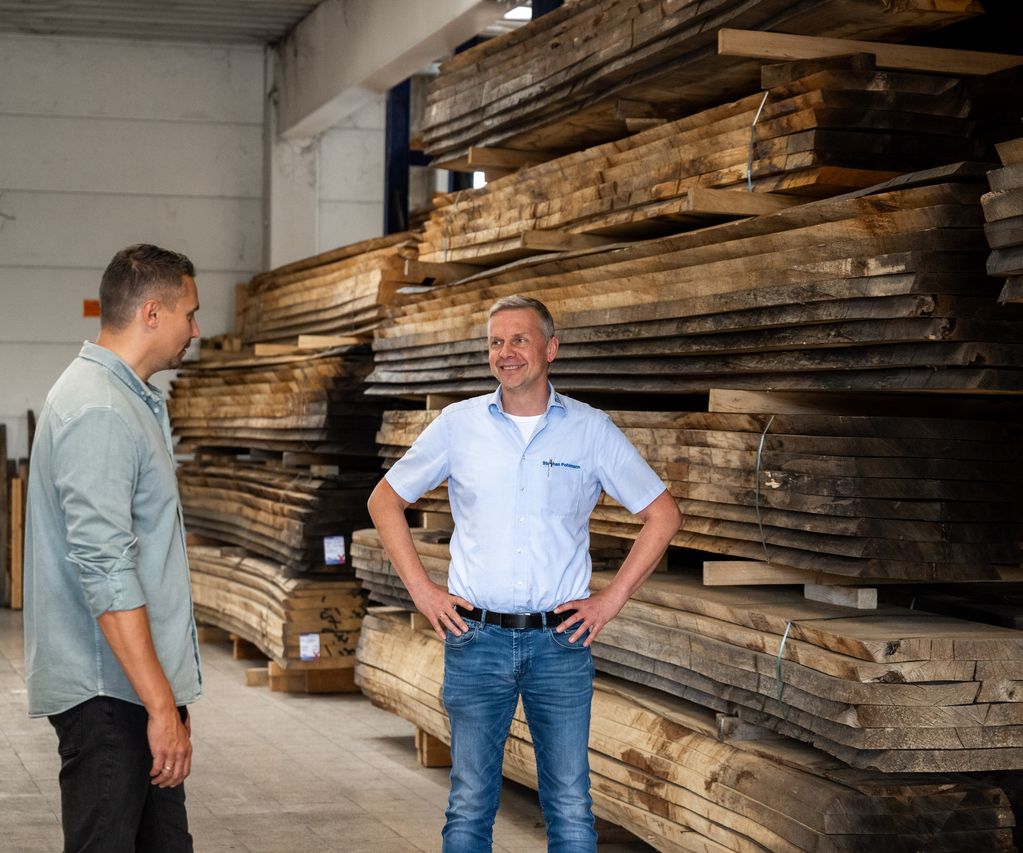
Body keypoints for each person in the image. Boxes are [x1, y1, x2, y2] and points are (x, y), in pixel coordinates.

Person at [368, 294, 682, 852]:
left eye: (519, 340)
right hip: (475, 638)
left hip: (560, 644)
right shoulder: (458, 425)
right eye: (495, 341)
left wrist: (608, 602)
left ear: (550, 348)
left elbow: (663, 514)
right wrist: (421, 589)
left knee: (569, 805)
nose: (505, 353)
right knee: (469, 804)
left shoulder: (589, 430)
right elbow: (385, 500)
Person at [24, 243, 204, 853]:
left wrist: (165, 701)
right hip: (111, 695)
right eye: (190, 314)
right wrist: (160, 706)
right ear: (153, 313)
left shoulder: (124, 398)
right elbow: (105, 568)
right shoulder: (100, 410)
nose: (195, 331)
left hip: (131, 686)